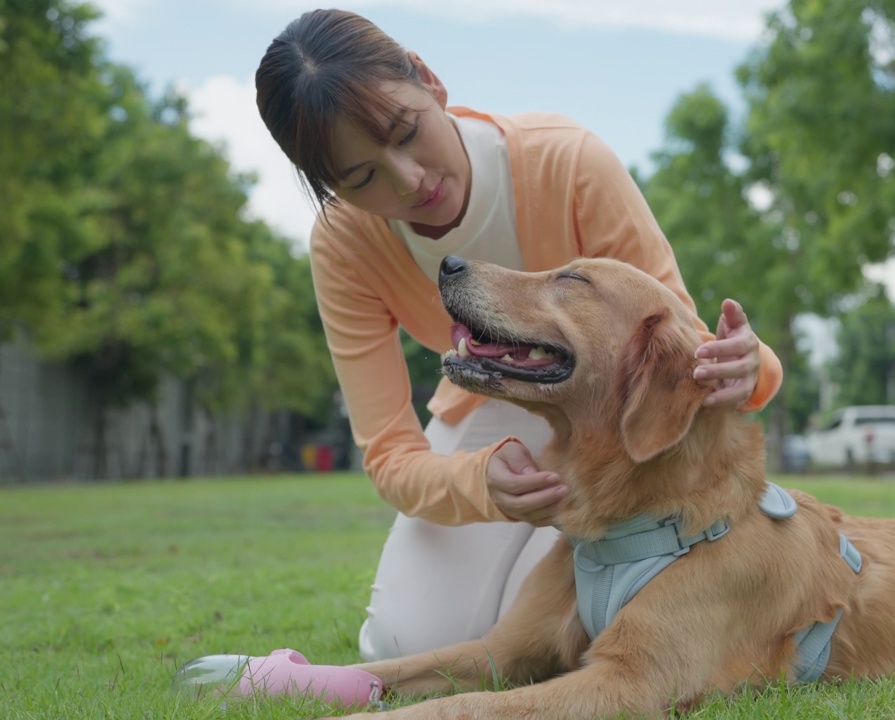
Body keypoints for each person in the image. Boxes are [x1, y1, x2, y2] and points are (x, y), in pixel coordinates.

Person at [254, 8, 784, 662]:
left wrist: (753, 366)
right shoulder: (342, 246)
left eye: (406, 132)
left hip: (608, 426)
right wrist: (479, 482)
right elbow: (389, 453)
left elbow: (677, 343)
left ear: (429, 79)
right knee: (403, 641)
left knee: (561, 630)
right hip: (484, 417)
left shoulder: (568, 161)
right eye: (361, 178)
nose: (410, 179)